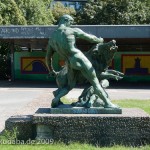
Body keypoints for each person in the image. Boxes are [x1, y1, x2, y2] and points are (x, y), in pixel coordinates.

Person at [46, 14, 118, 108]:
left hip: (69, 63)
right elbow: (90, 38)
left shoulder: (52, 39)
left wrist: (51, 70)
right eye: (70, 22)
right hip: (78, 58)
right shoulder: (71, 30)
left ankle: (56, 100)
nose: (71, 24)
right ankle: (108, 104)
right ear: (65, 20)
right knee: (95, 81)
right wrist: (100, 40)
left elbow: (48, 57)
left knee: (69, 86)